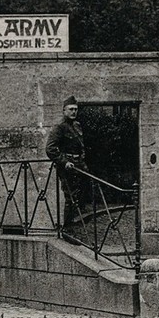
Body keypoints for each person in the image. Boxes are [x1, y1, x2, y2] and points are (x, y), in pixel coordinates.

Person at [45, 95, 88, 231]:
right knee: (70, 197)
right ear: (64, 111)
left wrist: (83, 162)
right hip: (67, 167)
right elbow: (50, 149)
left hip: (78, 165)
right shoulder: (59, 127)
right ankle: (67, 230)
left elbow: (81, 146)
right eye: (70, 109)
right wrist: (64, 162)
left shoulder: (77, 125)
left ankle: (73, 224)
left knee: (79, 195)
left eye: (75, 109)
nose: (74, 112)